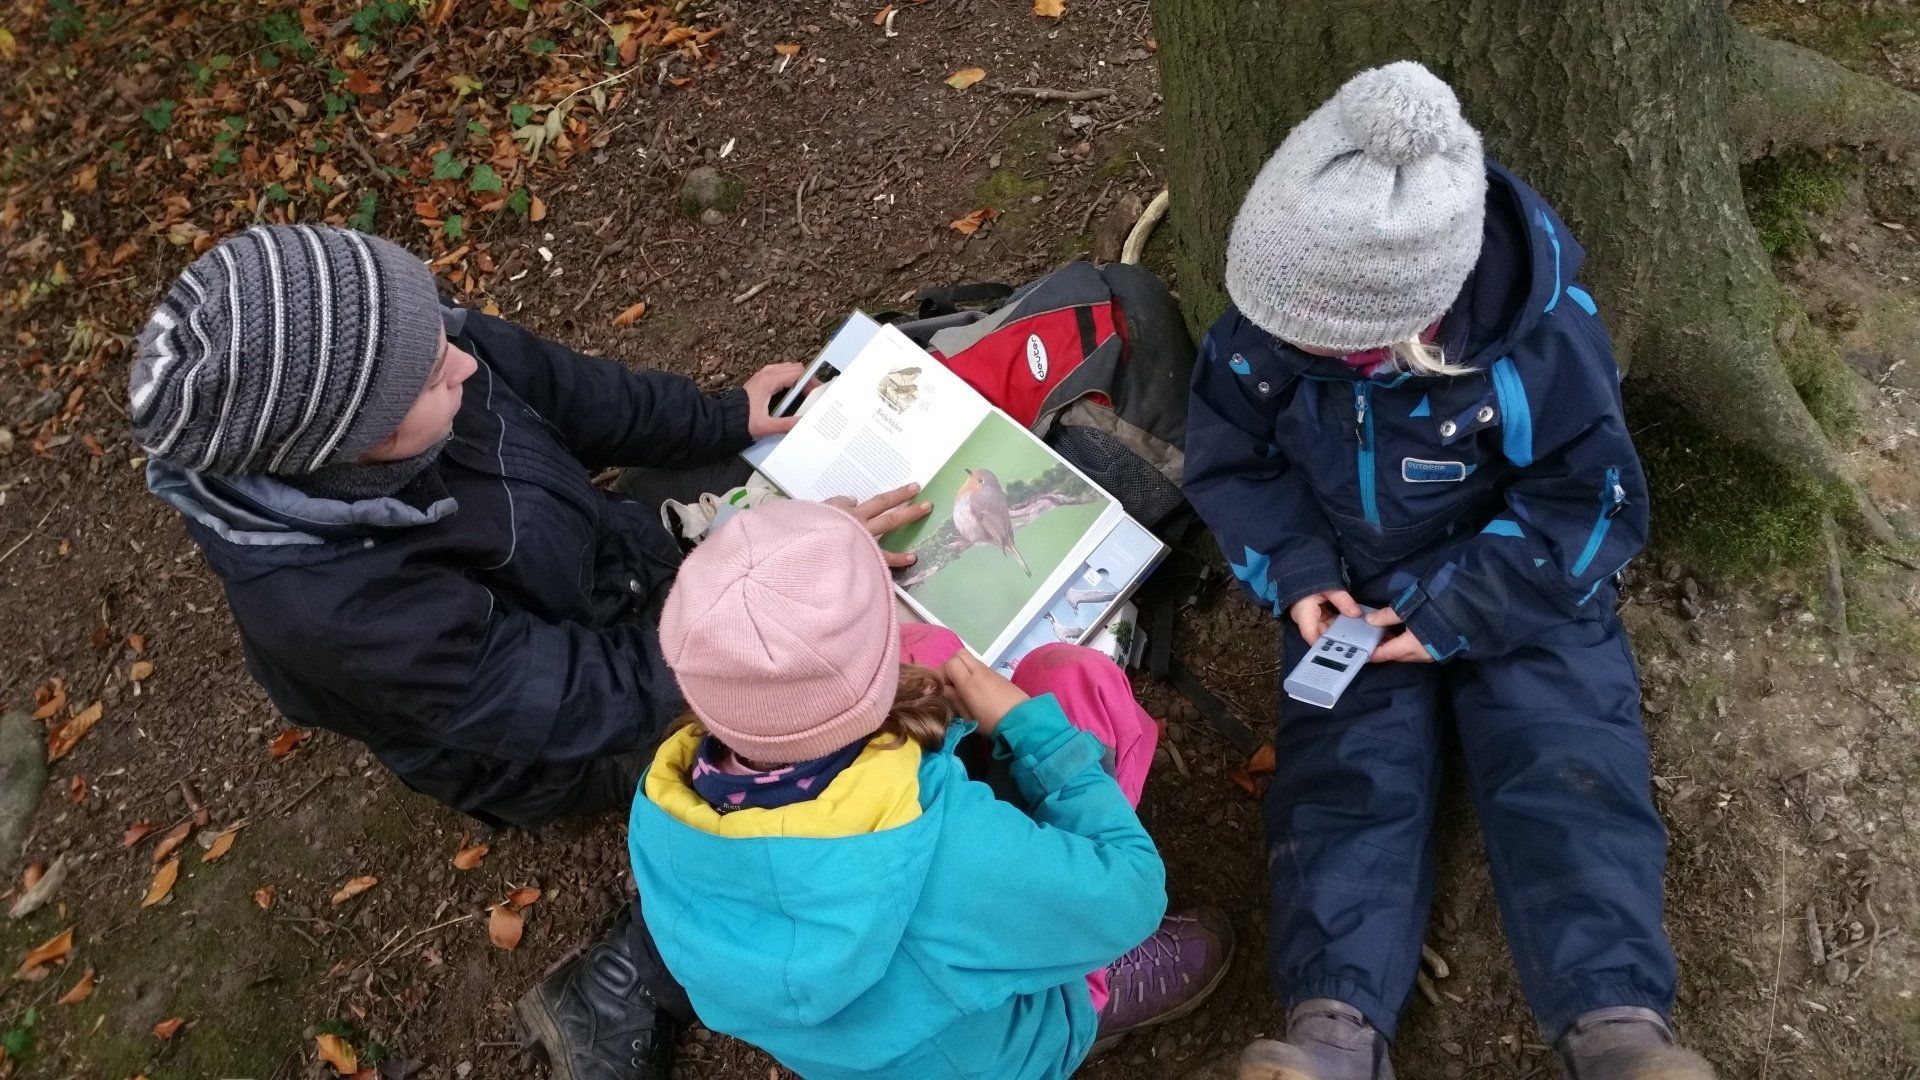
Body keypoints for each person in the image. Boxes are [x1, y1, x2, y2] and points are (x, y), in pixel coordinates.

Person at [128, 224, 925, 1079]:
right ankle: (626, 984)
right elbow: (581, 700)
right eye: (429, 378)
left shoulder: (411, 345)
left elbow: (568, 391)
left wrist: (720, 417)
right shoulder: (336, 613)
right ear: (344, 453)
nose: (462, 364)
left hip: (614, 577)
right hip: (552, 743)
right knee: (815, 744)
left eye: (438, 333)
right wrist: (786, 587)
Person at [1181, 63, 1715, 1080]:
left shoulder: (1539, 346)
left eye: (1317, 342)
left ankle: (1616, 1027)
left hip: (1522, 583)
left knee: (1567, 753)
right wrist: (1298, 569)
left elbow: (1589, 502)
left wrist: (1462, 607)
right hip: (1355, 589)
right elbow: (1232, 461)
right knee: (1343, 772)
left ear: (1413, 328)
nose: (1277, 346)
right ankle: (1333, 1030)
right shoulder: (1265, 331)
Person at [625, 499, 1235, 1080]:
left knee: (937, 652)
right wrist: (1034, 732)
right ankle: (1090, 994)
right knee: (1080, 684)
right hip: (1000, 1051)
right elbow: (1133, 892)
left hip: (874, 1034)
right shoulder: (947, 854)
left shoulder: (660, 809)